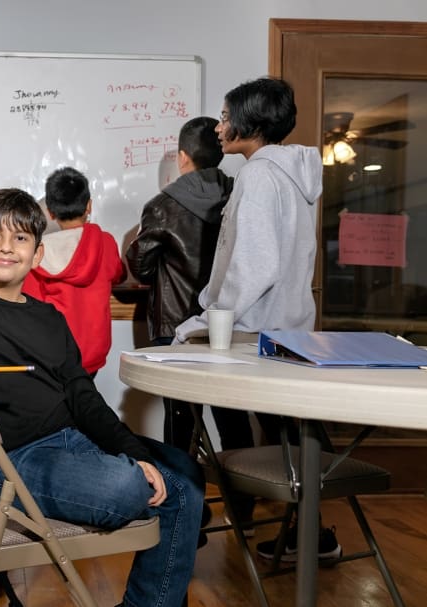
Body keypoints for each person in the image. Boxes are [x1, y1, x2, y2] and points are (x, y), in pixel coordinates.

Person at [0, 188, 205, 607]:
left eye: (20, 238)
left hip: (69, 442)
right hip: (0, 463)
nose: (6, 247)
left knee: (185, 479)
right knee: (128, 484)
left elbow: (83, 397)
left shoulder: (49, 317)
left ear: (38, 254)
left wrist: (132, 450)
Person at [174, 77, 340, 561]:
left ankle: (305, 534)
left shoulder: (261, 175)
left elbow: (254, 265)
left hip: (258, 332)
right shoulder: (290, 172)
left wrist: (207, 318)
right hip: (286, 327)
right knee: (293, 435)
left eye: (226, 117)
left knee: (289, 438)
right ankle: (313, 534)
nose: (219, 128)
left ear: (250, 122)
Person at [126, 116, 239, 451]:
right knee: (231, 412)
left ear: (183, 156)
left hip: (175, 324)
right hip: (227, 323)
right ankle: (243, 498)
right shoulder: (238, 195)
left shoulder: (162, 206)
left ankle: (187, 497)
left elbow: (141, 267)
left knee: (180, 417)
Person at [23, 167, 126, 376]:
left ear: (50, 212)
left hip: (54, 354)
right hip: (93, 353)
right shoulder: (105, 242)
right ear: (89, 206)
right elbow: (118, 274)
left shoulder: (37, 252)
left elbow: (29, 303)